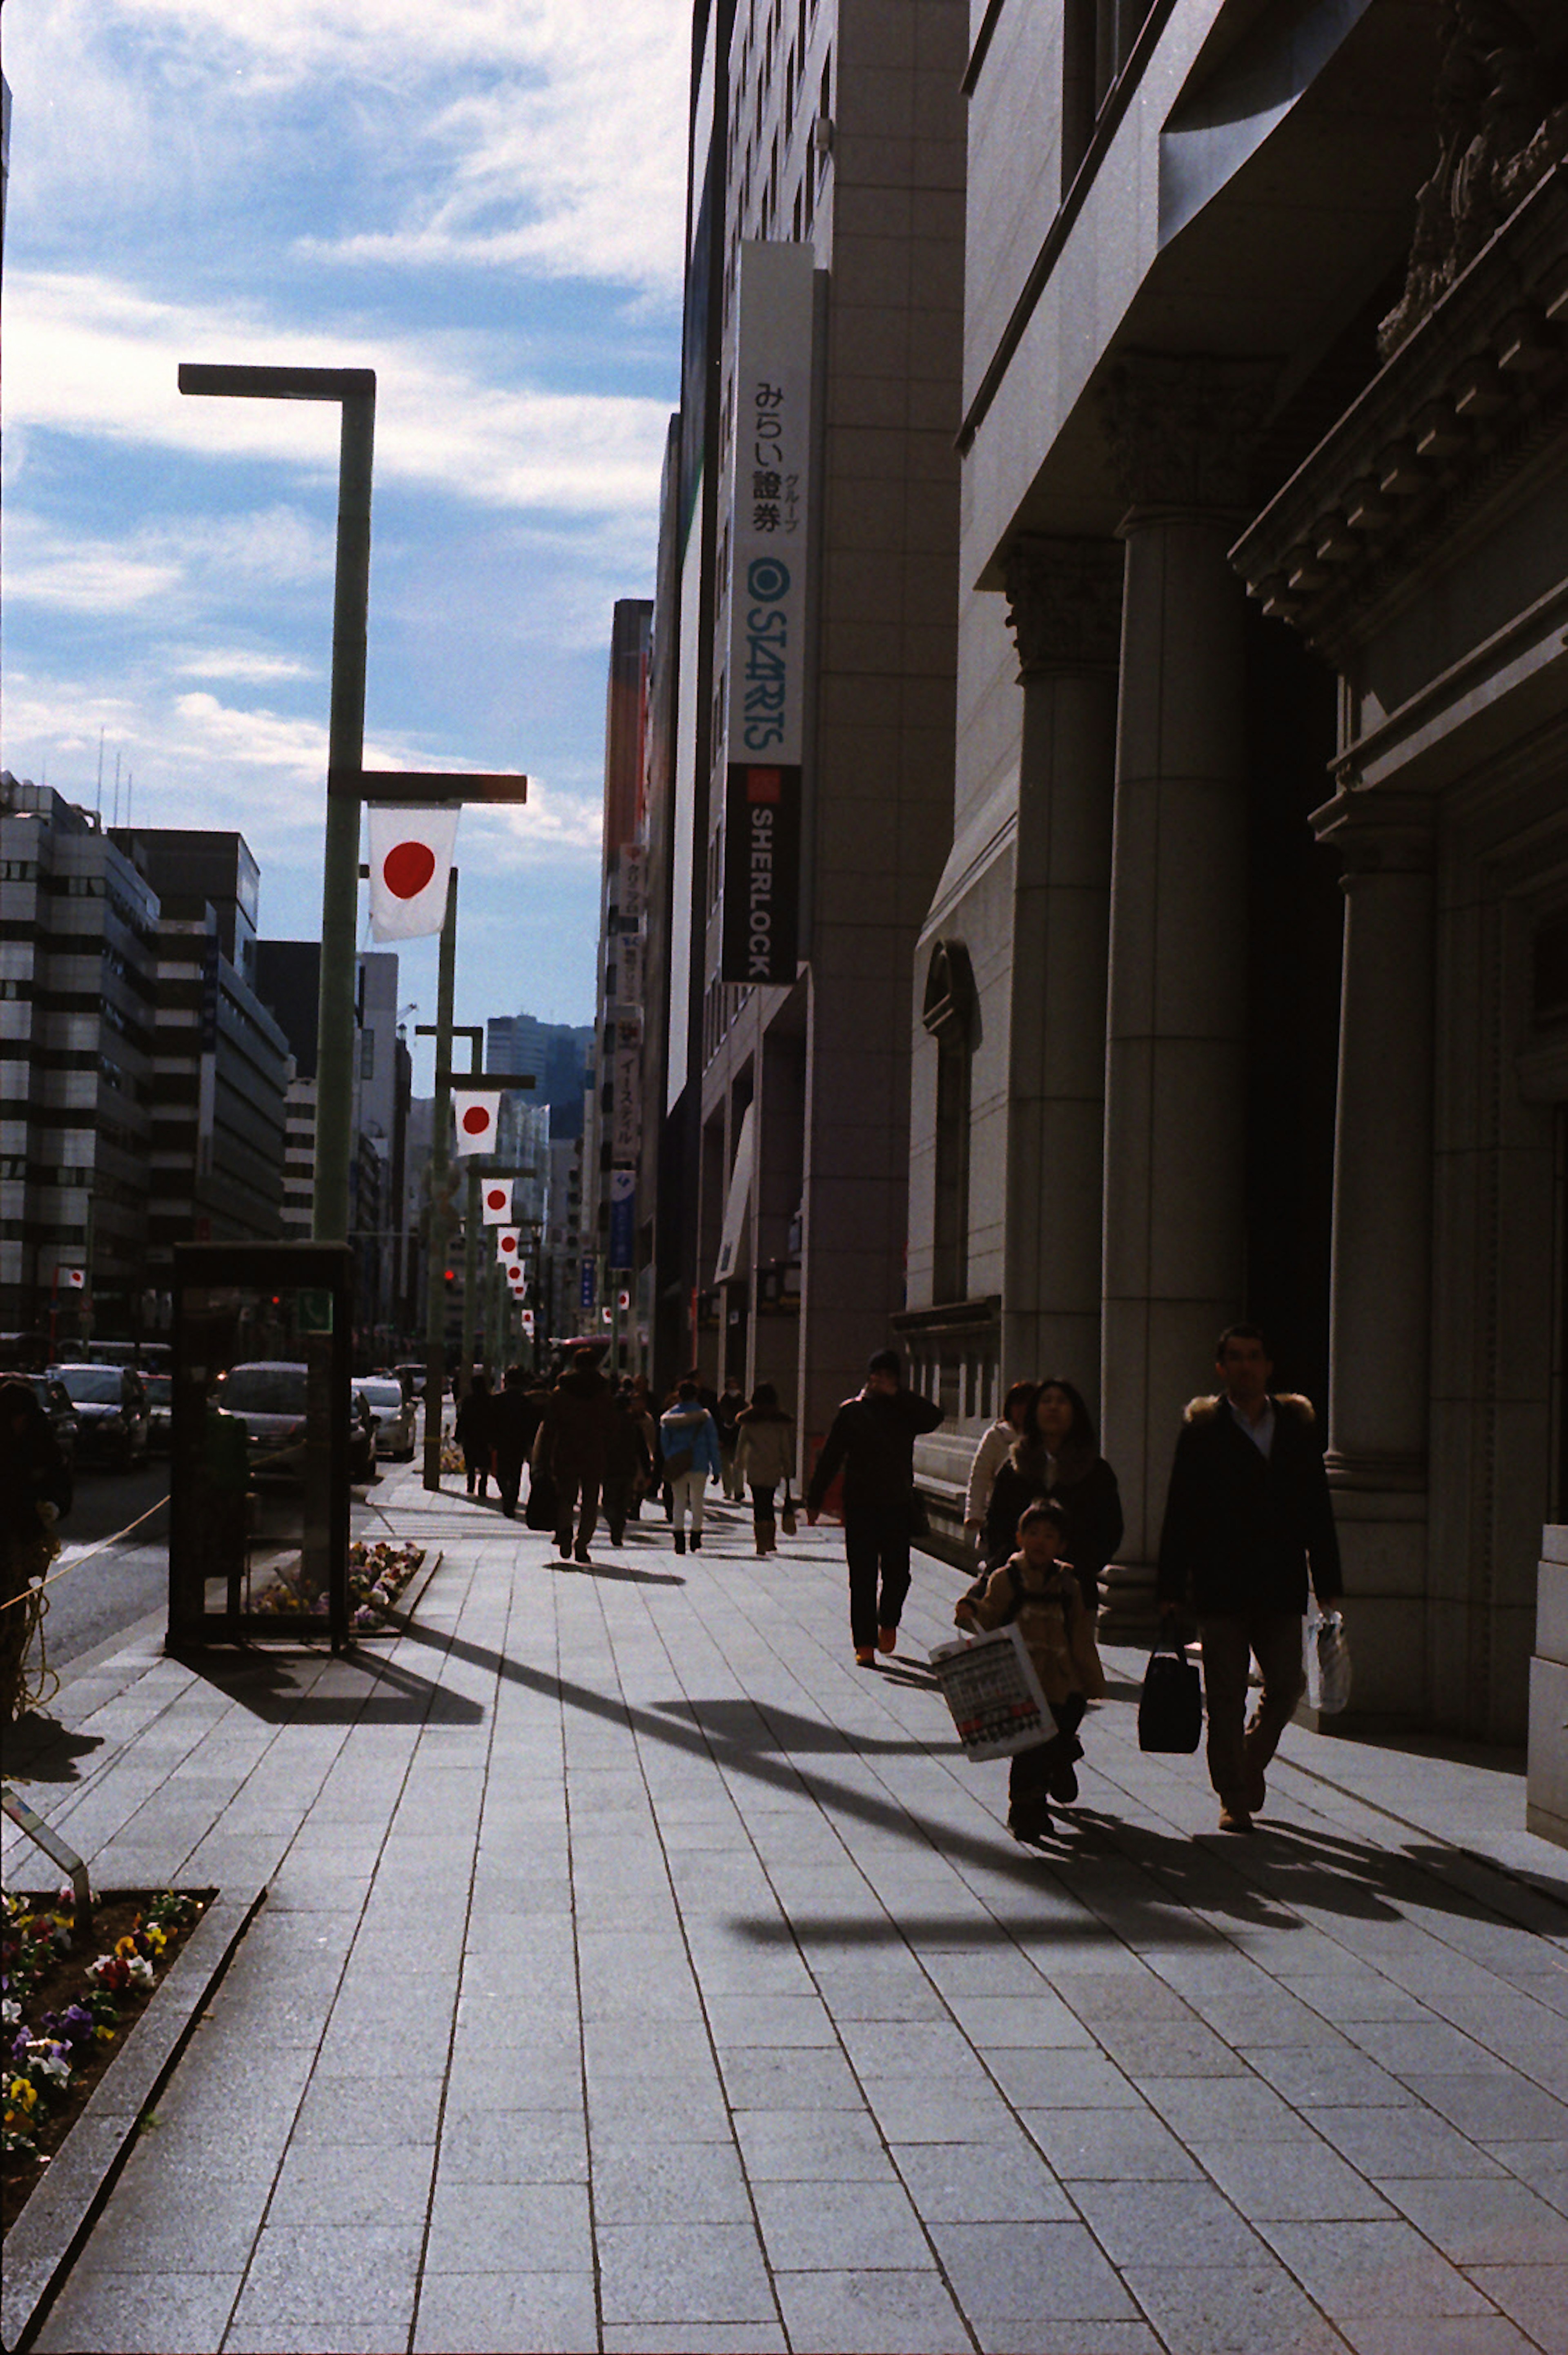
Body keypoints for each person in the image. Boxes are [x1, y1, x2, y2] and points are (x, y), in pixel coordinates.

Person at [1156, 1323, 1344, 1834]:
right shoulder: (1203, 1430)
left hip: (1280, 1582)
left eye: (1254, 1357)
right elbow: (1180, 1512)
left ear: (1268, 1367)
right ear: (1221, 1368)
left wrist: (1327, 1579)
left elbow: (1317, 1510)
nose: (1245, 1366)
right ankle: (1233, 1798)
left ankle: (1248, 1760)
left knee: (1287, 1684)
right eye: (1235, 1357)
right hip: (1221, 1586)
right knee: (1224, 1695)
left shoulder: (1296, 1427)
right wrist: (1170, 1588)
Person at [955, 1499, 1105, 1845]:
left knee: (1053, 1738)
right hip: (1021, 1678)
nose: (1040, 1541)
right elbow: (990, 1612)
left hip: (1062, 1679)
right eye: (1033, 1533)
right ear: (1020, 1537)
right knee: (1029, 1748)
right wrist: (971, 1608)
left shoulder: (1068, 1585)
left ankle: (1061, 1759)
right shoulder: (1007, 1579)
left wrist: (1089, 1679)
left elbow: (1080, 1634)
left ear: (1062, 1545)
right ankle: (1025, 1810)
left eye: (1050, 1536)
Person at [806, 1347, 943, 1666]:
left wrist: (900, 1395)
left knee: (899, 1575)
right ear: (869, 1376)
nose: (883, 1380)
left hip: (897, 1503)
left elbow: (934, 1417)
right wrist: (815, 1499)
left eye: (890, 1376)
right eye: (879, 1375)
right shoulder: (852, 1412)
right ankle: (864, 1643)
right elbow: (830, 1458)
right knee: (863, 1576)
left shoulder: (904, 1412)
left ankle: (888, 1620)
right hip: (861, 1505)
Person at [978, 1379, 1124, 1617]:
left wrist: (1082, 1567)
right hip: (1018, 1589)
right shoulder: (1014, 1468)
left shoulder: (1095, 1471)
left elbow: (1110, 1528)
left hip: (1074, 1590)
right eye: (1046, 1401)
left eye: (1061, 1402)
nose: (1053, 1408)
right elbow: (996, 1523)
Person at [1, 1376, 71, 1722]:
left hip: (19, 1539)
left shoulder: (40, 1437)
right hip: (12, 1533)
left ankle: (5, 1691)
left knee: (14, 1619)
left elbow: (60, 1480)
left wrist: (51, 1509)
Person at [534, 1346, 618, 1564]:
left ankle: (564, 1535)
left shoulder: (561, 1393)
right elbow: (612, 1428)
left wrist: (543, 1457)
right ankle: (582, 1545)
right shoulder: (604, 1394)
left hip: (566, 1451)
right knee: (590, 1502)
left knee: (566, 1498)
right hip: (594, 1453)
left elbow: (550, 1428)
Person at [962, 1381, 1036, 1557]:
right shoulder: (997, 1437)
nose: (1021, 1410)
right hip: (1002, 1514)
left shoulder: (1042, 1438)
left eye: (1027, 1405)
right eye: (1017, 1404)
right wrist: (974, 1513)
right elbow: (980, 1475)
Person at [733, 1381, 796, 1555]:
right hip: (773, 1465)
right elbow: (784, 1447)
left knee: (758, 1504)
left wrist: (739, 1462)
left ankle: (760, 1542)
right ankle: (771, 1541)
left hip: (755, 1466)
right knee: (769, 1502)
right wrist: (788, 1466)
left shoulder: (749, 1420)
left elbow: (742, 1443)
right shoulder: (779, 1422)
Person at [659, 1379, 722, 1554]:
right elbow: (713, 1443)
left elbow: (664, 1444)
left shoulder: (669, 1418)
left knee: (678, 1501)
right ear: (696, 1395)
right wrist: (716, 1469)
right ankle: (696, 1537)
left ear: (679, 1395)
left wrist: (671, 1457)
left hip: (678, 1464)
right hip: (699, 1463)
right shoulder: (704, 1417)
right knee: (697, 1502)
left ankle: (679, 1538)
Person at [491, 1364, 548, 1519]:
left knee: (502, 1472)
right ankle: (511, 1501)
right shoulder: (526, 1402)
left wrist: (491, 1440)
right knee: (515, 1473)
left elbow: (491, 1422)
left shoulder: (497, 1400)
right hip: (519, 1442)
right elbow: (532, 1424)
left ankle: (507, 1497)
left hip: (502, 1441)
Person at [602, 1389, 654, 1547]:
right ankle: (618, 1528)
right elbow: (642, 1450)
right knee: (623, 1500)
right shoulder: (634, 1425)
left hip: (609, 1467)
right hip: (628, 1468)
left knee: (609, 1498)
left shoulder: (606, 1424)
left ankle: (613, 1522)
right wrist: (647, 1472)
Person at [454, 1372, 494, 1499]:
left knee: (471, 1464)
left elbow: (462, 1420)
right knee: (485, 1464)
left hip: (470, 1436)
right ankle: (483, 1487)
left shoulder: (467, 1402)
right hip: (486, 1436)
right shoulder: (490, 1401)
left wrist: (458, 1436)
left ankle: (470, 1486)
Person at [715, 1376, 748, 1501]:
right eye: (731, 1387)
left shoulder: (743, 1404)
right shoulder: (721, 1403)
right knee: (725, 1467)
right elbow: (717, 1422)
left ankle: (739, 1491)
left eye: (735, 1387)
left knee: (738, 1466)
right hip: (724, 1439)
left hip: (738, 1439)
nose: (733, 1390)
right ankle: (728, 1490)